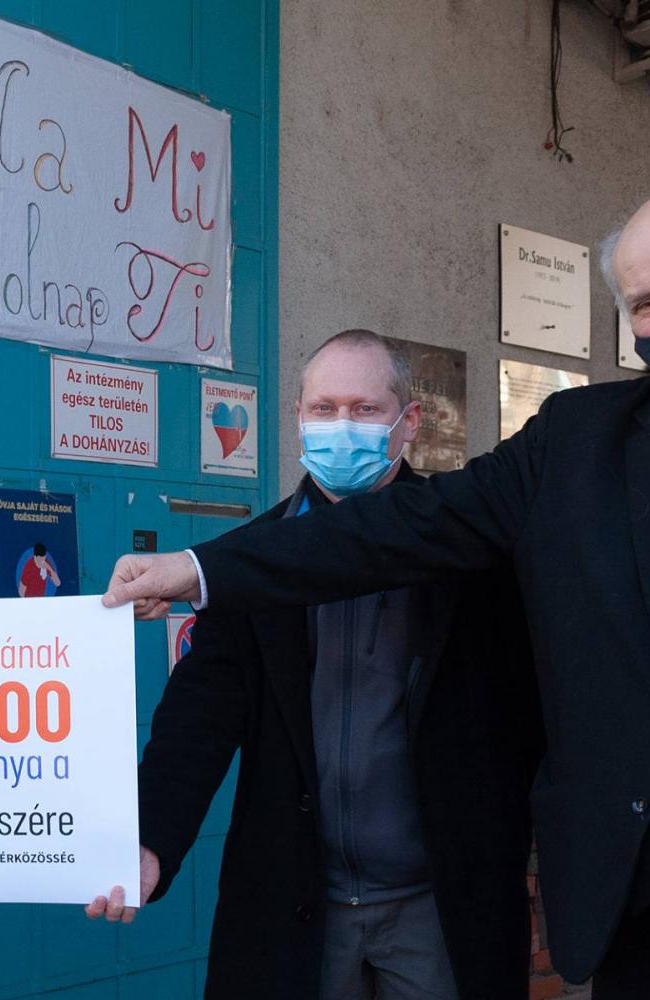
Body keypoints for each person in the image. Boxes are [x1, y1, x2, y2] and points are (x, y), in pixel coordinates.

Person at [104, 189, 650, 1000]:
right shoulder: (577, 440)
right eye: (647, 303)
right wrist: (200, 570)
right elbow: (402, 526)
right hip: (635, 912)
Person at [86, 330, 542, 999]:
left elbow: (530, 712)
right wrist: (151, 837)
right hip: (297, 905)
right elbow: (199, 715)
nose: (341, 427)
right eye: (324, 409)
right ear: (298, 417)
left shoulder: (473, 557)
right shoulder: (245, 562)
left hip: (440, 908)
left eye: (365, 409)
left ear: (410, 421)